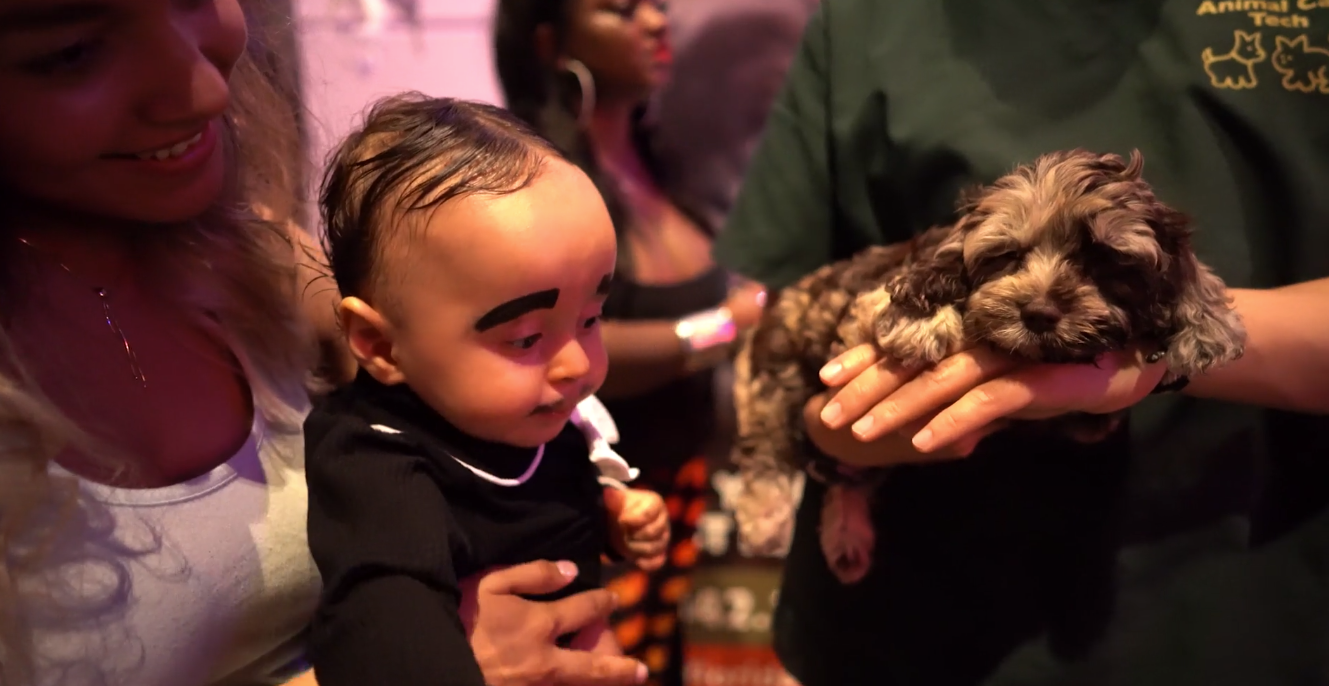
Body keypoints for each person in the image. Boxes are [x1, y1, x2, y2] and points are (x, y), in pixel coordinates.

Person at [0, 1, 652, 685]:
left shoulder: (263, 258)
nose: (207, 90)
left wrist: (609, 501)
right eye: (72, 52)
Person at [713, 1, 1329, 684]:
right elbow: (782, 315)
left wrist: (1154, 363)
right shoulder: (867, 20)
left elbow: (1197, 310)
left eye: (1100, 262)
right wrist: (828, 441)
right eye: (1006, 259)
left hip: (1229, 601)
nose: (1040, 298)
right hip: (909, 621)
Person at [304, 94, 670, 685]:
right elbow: (385, 624)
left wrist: (613, 517)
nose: (576, 363)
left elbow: (547, 508)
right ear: (381, 345)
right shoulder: (378, 462)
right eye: (526, 338)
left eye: (591, 318)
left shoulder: (530, 411)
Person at [492, 3, 765, 685]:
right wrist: (726, 326)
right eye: (620, 7)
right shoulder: (534, 179)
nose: (653, 20)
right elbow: (556, 347)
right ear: (550, 42)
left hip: (682, 492)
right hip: (597, 504)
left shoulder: (658, 160)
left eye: (656, 5)